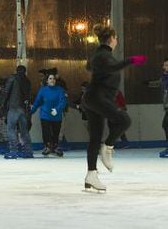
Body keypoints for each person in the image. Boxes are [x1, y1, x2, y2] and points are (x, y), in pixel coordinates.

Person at [82, 23, 146, 191]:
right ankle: (108, 147)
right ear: (111, 39)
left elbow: (90, 66)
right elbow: (110, 67)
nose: (117, 40)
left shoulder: (101, 54)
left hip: (94, 98)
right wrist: (130, 60)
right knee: (124, 120)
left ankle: (91, 175)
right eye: (116, 37)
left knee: (95, 137)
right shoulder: (103, 55)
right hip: (97, 97)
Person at [30, 74, 67, 157]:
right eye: (50, 78)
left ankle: (55, 147)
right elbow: (37, 102)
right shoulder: (43, 90)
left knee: (56, 132)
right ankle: (47, 146)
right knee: (46, 132)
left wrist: (57, 110)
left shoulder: (60, 90)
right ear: (47, 81)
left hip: (56, 116)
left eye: (53, 78)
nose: (52, 80)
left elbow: (63, 101)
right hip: (45, 115)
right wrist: (31, 111)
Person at [3, 65, 33, 159]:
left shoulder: (13, 78)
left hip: (13, 107)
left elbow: (6, 92)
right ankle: (28, 151)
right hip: (23, 109)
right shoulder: (27, 81)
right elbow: (29, 96)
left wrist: (3, 105)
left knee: (11, 129)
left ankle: (13, 151)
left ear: (16, 70)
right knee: (24, 130)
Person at [145, 58, 168, 157]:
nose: (164, 67)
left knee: (166, 125)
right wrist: (148, 83)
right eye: (164, 65)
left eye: (166, 65)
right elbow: (158, 83)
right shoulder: (164, 77)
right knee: (166, 126)